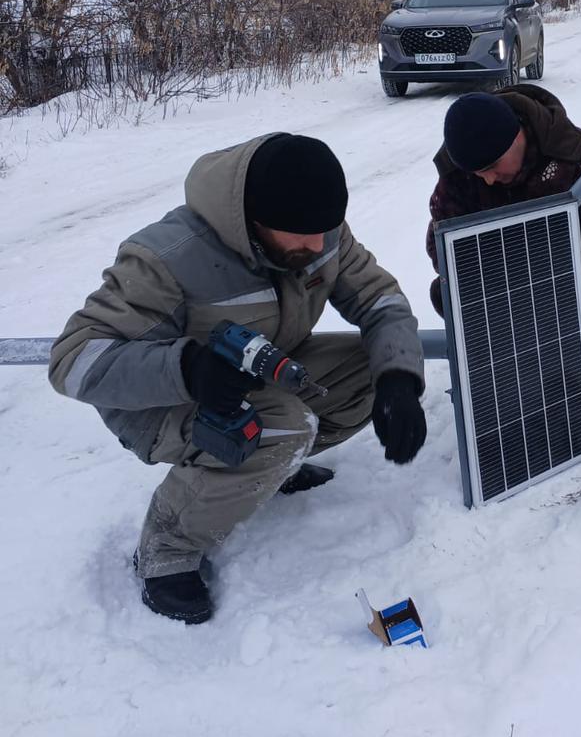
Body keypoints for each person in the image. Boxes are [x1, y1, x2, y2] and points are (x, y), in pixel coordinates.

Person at [49, 133, 426, 625]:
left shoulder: (321, 235)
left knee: (369, 371)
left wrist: (399, 378)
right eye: (302, 236)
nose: (317, 249)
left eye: (325, 233)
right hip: (159, 406)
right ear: (254, 222)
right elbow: (73, 361)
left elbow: (381, 301)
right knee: (282, 425)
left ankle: (270, 465)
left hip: (258, 373)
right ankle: (168, 545)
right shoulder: (166, 257)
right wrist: (187, 368)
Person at [426, 86, 581, 414]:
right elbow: (441, 245)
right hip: (510, 292)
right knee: (507, 397)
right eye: (477, 173)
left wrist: (545, 318)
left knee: (575, 401)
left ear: (517, 137)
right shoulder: (462, 171)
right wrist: (502, 310)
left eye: (493, 166)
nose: (486, 180)